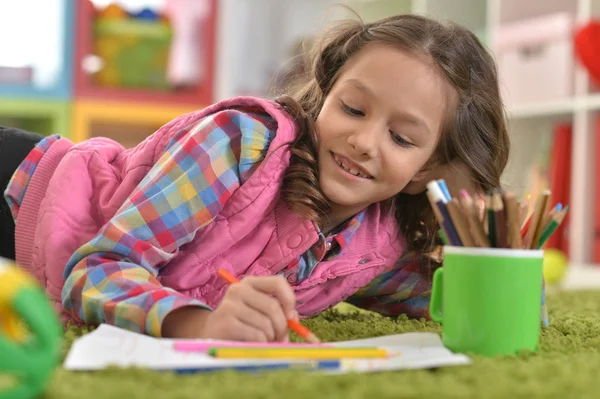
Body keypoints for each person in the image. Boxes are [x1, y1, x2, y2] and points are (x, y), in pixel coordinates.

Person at [1, 14, 509, 342]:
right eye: (353, 108)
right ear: (327, 95)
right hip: (26, 192)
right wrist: (200, 324)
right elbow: (97, 269)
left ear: (425, 170)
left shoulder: (376, 246)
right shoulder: (241, 142)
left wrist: (504, 278)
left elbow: (431, 295)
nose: (364, 141)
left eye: (401, 138)